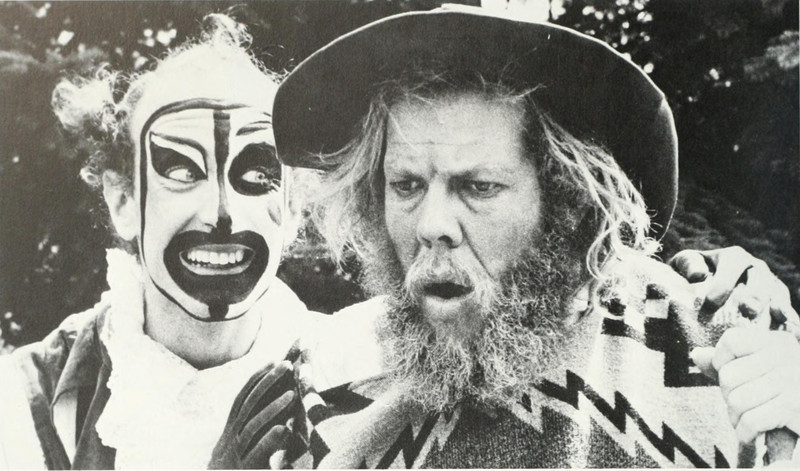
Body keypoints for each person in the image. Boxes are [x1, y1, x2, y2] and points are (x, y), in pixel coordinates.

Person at [271, 7, 800, 468]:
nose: (431, 225)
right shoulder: (323, 379)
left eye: (478, 187)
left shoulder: (724, 356)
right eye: (406, 186)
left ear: (569, 201)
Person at [0, 15, 324, 469]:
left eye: (256, 174)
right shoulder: (29, 401)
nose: (221, 214)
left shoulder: (352, 375)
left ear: (292, 208)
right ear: (123, 201)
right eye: (182, 171)